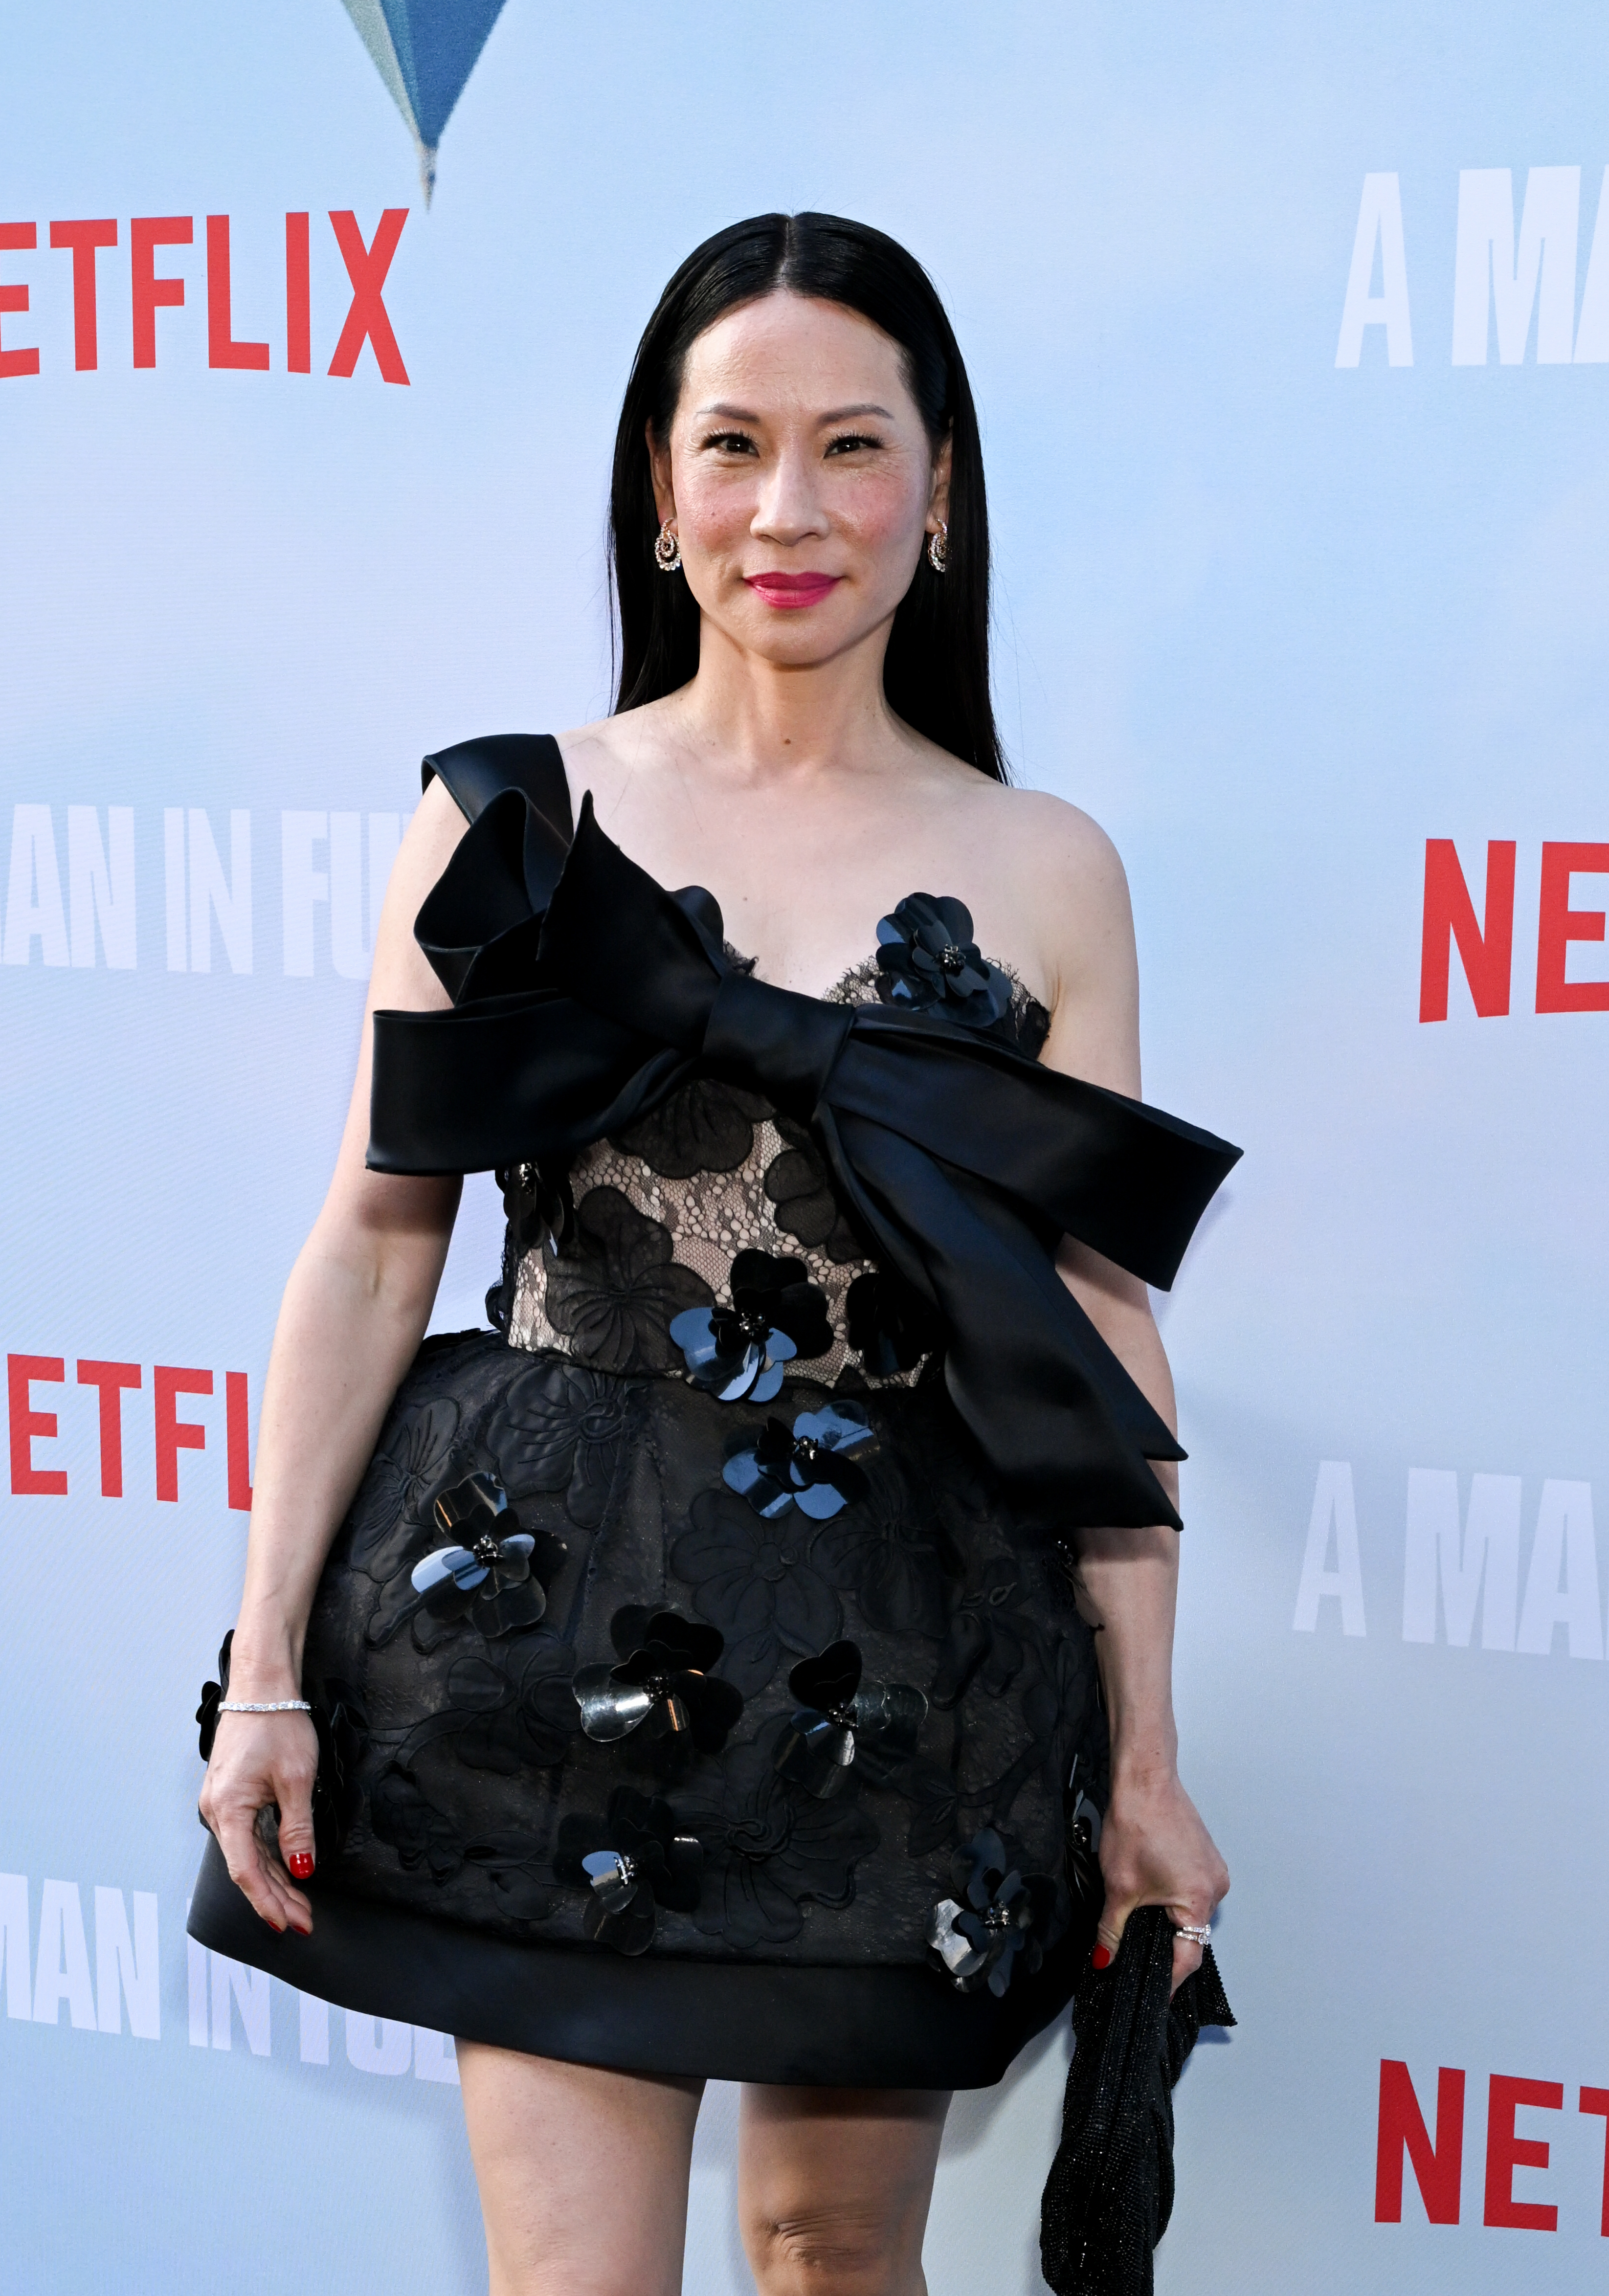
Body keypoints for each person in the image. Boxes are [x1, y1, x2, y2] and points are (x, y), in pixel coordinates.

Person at [192, 211, 1233, 2296]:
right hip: (534, 1635)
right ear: (655, 494)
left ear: (936, 497)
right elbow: (372, 1247)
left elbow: (1090, 1336)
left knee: (827, 2260)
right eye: (732, 445)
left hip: (899, 1679)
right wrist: (266, 1667)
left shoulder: (1045, 872)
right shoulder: (513, 820)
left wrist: (1140, 1761)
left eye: (852, 448)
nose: (789, 508)